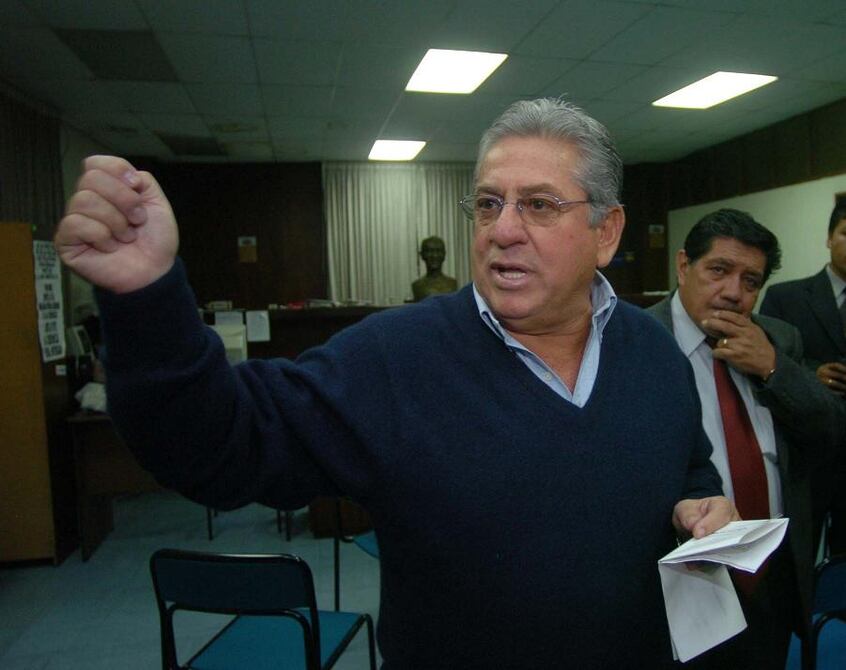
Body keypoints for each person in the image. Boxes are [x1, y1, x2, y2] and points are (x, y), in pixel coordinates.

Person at [55, 98, 736, 668]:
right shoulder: (394, 357)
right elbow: (222, 443)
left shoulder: (654, 352)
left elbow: (688, 467)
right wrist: (147, 299)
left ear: (606, 232)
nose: (502, 230)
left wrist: (701, 503)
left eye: (538, 205)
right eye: (488, 204)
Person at [647, 208, 844, 669]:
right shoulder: (638, 338)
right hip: (682, 574)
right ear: (683, 266)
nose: (734, 293)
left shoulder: (777, 338)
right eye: (718, 270)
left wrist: (773, 368)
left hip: (770, 569)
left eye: (750, 281)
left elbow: (830, 430)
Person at [760, 201, 846, 555]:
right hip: (805, 455)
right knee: (797, 558)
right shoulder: (786, 297)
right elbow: (764, 360)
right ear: (829, 238)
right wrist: (811, 375)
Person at [411, 235, 457, 301]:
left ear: (444, 254)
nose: (434, 255)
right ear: (422, 255)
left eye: (438, 251)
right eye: (430, 251)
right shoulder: (417, 285)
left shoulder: (452, 283)